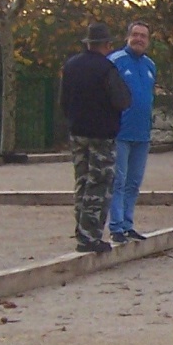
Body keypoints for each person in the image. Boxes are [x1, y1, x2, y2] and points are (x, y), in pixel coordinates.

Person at [60, 22, 131, 254]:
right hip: (102, 135)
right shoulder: (106, 69)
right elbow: (122, 100)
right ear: (107, 45)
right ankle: (91, 236)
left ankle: (81, 230)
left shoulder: (70, 66)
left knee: (81, 182)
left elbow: (63, 101)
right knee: (99, 184)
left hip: (77, 132)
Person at [108, 20, 157, 244]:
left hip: (142, 135)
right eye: (135, 35)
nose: (139, 39)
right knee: (118, 181)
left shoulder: (150, 65)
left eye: (143, 36)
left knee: (134, 182)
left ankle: (128, 224)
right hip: (120, 133)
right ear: (128, 37)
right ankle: (116, 226)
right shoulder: (115, 61)